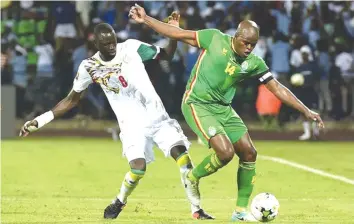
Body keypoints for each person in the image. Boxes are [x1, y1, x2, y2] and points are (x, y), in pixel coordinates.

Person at [129, 4, 325, 222]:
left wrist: (306, 110)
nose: (249, 48)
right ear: (236, 37)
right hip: (197, 103)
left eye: (253, 44)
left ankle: (240, 213)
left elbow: (277, 88)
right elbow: (177, 33)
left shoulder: (253, 62)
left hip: (223, 109)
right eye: (246, 43)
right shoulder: (214, 39)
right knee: (225, 153)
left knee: (249, 153)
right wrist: (146, 19)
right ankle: (192, 177)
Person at [19, 16, 213, 220]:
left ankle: (197, 210)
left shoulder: (131, 48)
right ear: (96, 44)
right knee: (138, 169)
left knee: (184, 160)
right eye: (106, 43)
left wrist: (173, 34)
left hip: (157, 117)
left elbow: (165, 56)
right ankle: (120, 201)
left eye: (113, 41)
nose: (112, 46)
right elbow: (71, 100)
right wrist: (39, 121)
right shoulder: (89, 66)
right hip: (131, 125)